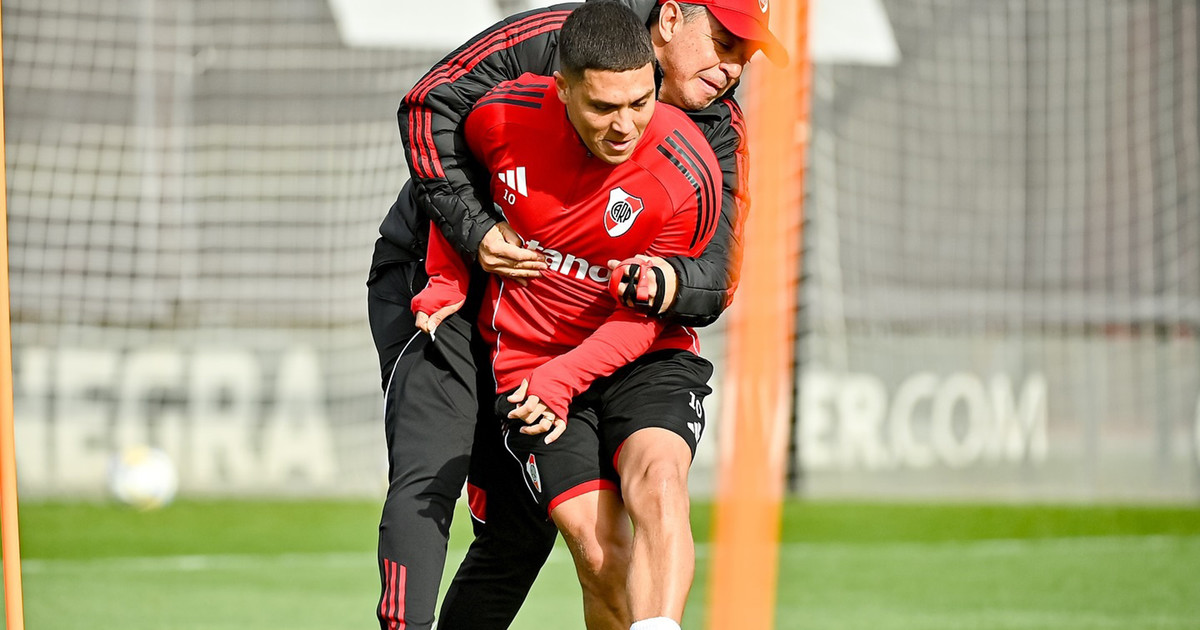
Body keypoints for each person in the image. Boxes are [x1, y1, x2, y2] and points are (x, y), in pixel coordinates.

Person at [366, 1, 787, 628]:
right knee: (431, 469)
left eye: (744, 57)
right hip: (441, 278)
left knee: (524, 526)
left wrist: (666, 282)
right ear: (672, 19)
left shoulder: (709, 144)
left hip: (578, 335)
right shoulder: (552, 50)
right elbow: (431, 106)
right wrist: (471, 240)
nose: (731, 69)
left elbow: (715, 275)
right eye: (723, 43)